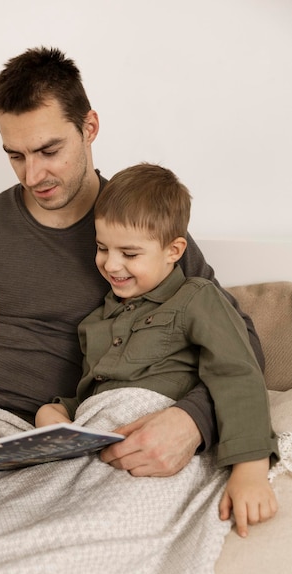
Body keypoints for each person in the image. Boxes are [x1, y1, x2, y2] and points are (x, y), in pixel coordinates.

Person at [0, 47, 264, 477]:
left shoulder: (141, 227)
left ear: (89, 128)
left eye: (48, 150)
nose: (31, 175)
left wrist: (192, 421)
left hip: (84, 429)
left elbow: (240, 344)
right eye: (15, 155)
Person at [36, 162, 278, 537]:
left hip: (155, 443)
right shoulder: (96, 321)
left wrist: (250, 471)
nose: (111, 264)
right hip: (102, 445)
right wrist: (56, 412)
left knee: (96, 529)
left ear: (174, 250)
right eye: (102, 247)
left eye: (129, 254)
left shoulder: (197, 298)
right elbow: (99, 392)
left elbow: (237, 372)